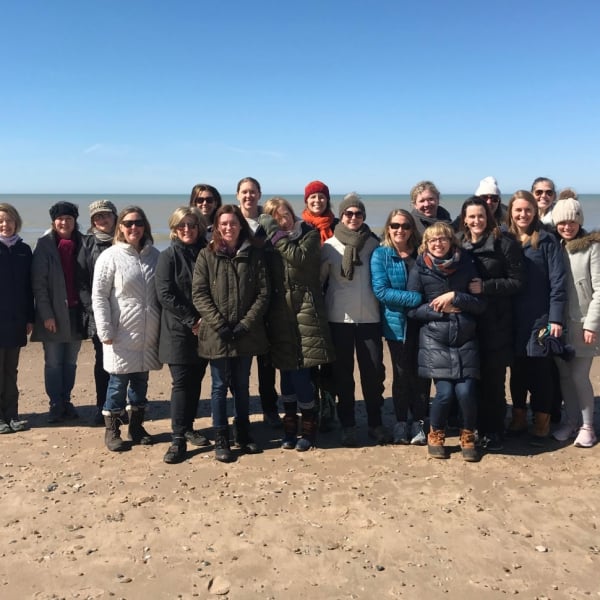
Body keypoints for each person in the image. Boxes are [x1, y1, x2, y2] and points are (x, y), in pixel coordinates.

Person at [192, 204, 269, 462]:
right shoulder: (207, 255)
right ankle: (221, 436)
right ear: (216, 226)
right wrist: (219, 324)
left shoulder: (253, 254)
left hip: (245, 332)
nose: (228, 227)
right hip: (217, 334)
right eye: (223, 223)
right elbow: (200, 293)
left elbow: (263, 293)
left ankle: (244, 433)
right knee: (218, 386)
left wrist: (245, 324)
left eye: (233, 223)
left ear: (241, 226)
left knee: (242, 385)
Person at [259, 197, 335, 451]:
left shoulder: (309, 235)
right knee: (287, 375)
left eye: (286, 214)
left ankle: (309, 427)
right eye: (276, 217)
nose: (284, 220)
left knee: (303, 374)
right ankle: (290, 425)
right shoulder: (267, 245)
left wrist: (275, 233)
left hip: (306, 313)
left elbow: (299, 259)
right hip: (280, 316)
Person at [407, 222, 486, 461]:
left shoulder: (467, 263)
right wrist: (439, 310)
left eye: (442, 239)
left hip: (465, 339)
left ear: (451, 241)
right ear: (426, 244)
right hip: (435, 340)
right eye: (432, 240)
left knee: (466, 391)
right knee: (443, 393)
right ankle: (436, 433)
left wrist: (456, 297)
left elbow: (480, 305)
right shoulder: (420, 268)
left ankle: (468, 434)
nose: (438, 244)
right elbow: (412, 309)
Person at [321, 192, 388, 446]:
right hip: (338, 318)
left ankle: (375, 423)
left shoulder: (375, 243)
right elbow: (318, 282)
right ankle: (347, 425)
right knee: (343, 376)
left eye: (358, 213)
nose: (353, 217)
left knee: (373, 374)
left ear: (364, 216)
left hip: (370, 318)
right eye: (348, 213)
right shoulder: (329, 246)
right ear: (341, 215)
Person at [92, 206, 161, 451]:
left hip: (149, 330)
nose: (134, 228)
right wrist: (105, 330)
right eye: (129, 223)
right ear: (120, 226)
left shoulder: (155, 255)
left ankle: (137, 426)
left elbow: (161, 294)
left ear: (145, 226)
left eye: (138, 223)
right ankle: (112, 431)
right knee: (118, 383)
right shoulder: (109, 256)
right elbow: (99, 296)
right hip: (121, 332)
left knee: (141, 381)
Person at [458, 197, 525, 450]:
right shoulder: (460, 245)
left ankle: (494, 430)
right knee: (471, 378)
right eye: (472, 216)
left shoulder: (504, 244)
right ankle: (473, 426)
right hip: (468, 322)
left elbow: (518, 282)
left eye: (481, 216)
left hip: (496, 322)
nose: (476, 221)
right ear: (464, 218)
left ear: (489, 217)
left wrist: (486, 286)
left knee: (494, 380)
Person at [506, 191, 567, 444]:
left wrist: (555, 319)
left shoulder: (546, 240)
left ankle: (541, 421)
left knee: (541, 371)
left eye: (527, 210)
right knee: (517, 371)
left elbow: (558, 283)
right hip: (509, 318)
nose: (523, 214)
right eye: (518, 210)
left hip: (540, 317)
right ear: (511, 211)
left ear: (535, 211)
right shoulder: (503, 237)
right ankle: (518, 416)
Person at [156, 207, 210, 464]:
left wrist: (206, 320)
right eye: (181, 226)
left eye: (191, 225)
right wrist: (191, 320)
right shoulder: (168, 256)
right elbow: (165, 294)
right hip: (177, 330)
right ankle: (177, 438)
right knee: (181, 382)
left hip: (206, 328)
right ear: (174, 229)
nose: (187, 230)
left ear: (199, 226)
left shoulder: (207, 252)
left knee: (197, 379)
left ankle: (188, 427)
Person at [31, 201, 91, 423]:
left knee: (71, 362)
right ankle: (55, 403)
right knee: (54, 362)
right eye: (60, 219)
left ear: (75, 221)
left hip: (77, 313)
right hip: (53, 314)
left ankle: (66, 400)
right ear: (53, 222)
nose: (64, 222)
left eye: (69, 218)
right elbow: (39, 284)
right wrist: (46, 314)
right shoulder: (44, 245)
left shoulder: (84, 243)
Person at [370, 209, 426, 445]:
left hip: (425, 324)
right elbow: (381, 291)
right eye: (395, 226)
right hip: (397, 326)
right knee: (402, 374)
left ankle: (420, 423)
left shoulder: (423, 253)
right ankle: (402, 422)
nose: (399, 230)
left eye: (405, 226)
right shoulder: (381, 255)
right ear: (388, 228)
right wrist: (416, 299)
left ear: (412, 229)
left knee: (422, 375)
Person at [551, 198, 599, 447]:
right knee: (564, 376)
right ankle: (571, 421)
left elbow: (599, 289)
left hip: (583, 323)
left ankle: (588, 426)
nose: (567, 226)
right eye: (562, 222)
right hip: (560, 323)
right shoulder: (556, 246)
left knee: (580, 375)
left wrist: (592, 323)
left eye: (571, 221)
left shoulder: (592, 247)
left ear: (579, 221)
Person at [236, 176, 281, 427]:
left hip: (267, 296)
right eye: (244, 192)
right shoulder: (232, 220)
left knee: (266, 361)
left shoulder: (268, 220)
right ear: (237, 195)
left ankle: (270, 408)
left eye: (252, 192)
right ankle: (239, 410)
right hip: (240, 298)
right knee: (239, 363)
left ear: (259, 194)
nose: (248, 196)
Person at [300, 180, 338, 431]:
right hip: (308, 301)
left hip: (334, 299)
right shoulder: (300, 227)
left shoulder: (338, 225)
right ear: (306, 201)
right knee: (311, 357)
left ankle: (329, 406)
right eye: (312, 197)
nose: (317, 201)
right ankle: (310, 407)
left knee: (331, 359)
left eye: (321, 197)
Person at [82, 199, 118, 425]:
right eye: (97, 217)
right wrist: (93, 311)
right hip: (99, 313)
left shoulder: (126, 239)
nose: (102, 220)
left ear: (115, 216)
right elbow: (82, 281)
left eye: (106, 215)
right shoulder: (87, 244)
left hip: (126, 312)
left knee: (127, 362)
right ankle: (102, 406)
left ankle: (123, 405)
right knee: (102, 361)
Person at [0, 203, 34, 433]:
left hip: (16, 321)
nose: (5, 225)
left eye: (9, 220)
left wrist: (30, 318)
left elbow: (28, 288)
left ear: (16, 222)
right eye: (1, 221)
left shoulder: (24, 250)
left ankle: (11, 415)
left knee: (11, 370)